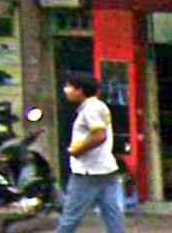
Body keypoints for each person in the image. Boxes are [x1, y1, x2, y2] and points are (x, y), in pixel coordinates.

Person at [58, 76, 126, 233]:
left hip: (87, 171)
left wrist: (76, 150)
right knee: (112, 216)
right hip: (106, 169)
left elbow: (100, 135)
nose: (66, 90)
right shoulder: (98, 106)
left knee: (70, 218)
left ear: (80, 90)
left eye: (69, 87)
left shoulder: (91, 109)